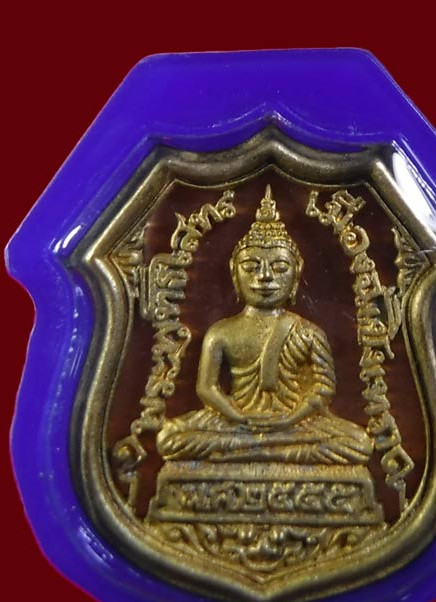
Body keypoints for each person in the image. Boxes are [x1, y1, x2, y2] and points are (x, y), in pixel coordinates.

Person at [156, 186, 373, 465]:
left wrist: (289, 419)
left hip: (295, 424)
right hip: (235, 422)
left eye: (280, 268)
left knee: (358, 442)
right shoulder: (221, 332)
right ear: (235, 274)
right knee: (170, 438)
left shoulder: (308, 332)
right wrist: (238, 417)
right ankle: (269, 450)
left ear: (296, 276)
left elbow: (323, 389)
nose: (265, 277)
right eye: (251, 267)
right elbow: (207, 389)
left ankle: (251, 451)